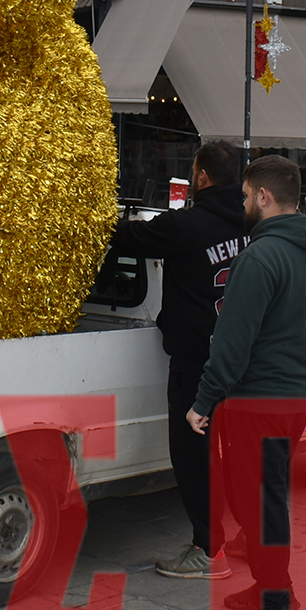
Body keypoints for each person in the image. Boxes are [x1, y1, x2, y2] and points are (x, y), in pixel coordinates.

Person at [188, 155, 306, 610]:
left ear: (263, 196)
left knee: (257, 502)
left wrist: (203, 401)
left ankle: (271, 606)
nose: (242, 206)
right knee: (267, 495)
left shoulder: (259, 257)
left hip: (257, 399)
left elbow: (231, 343)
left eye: (244, 197)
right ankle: (277, 589)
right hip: (297, 394)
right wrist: (294, 346)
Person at [109, 141, 250, 581]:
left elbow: (124, 238)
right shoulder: (254, 224)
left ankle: (208, 549)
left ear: (202, 175)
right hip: (243, 362)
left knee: (192, 458)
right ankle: (253, 536)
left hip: (196, 364)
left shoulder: (186, 225)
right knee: (241, 457)